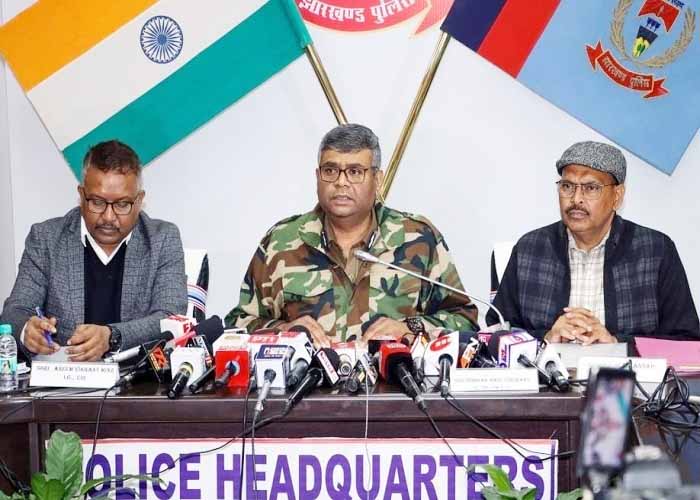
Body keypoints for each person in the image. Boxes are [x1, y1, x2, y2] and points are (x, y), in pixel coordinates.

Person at [226, 124, 477, 346]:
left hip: (394, 383)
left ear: (377, 179)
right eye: (330, 170)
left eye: (355, 171)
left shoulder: (419, 238)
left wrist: (409, 329)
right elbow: (237, 325)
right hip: (307, 383)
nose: (341, 182)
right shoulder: (281, 242)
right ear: (317, 177)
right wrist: (283, 331)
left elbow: (466, 321)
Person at [488, 141, 699, 344]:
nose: (576, 199)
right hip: (545, 369)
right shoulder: (530, 249)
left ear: (617, 196)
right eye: (567, 186)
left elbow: (687, 341)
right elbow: (494, 334)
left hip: (628, 370)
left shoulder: (655, 251)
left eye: (591, 188)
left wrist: (617, 342)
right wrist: (546, 338)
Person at [0, 140, 188, 361]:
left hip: (138, 377)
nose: (108, 217)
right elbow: (15, 311)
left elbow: (169, 317)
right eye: (97, 202)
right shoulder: (46, 239)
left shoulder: (162, 239)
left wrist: (112, 336)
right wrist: (27, 330)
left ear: (139, 201)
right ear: (81, 195)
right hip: (64, 378)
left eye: (122, 204)